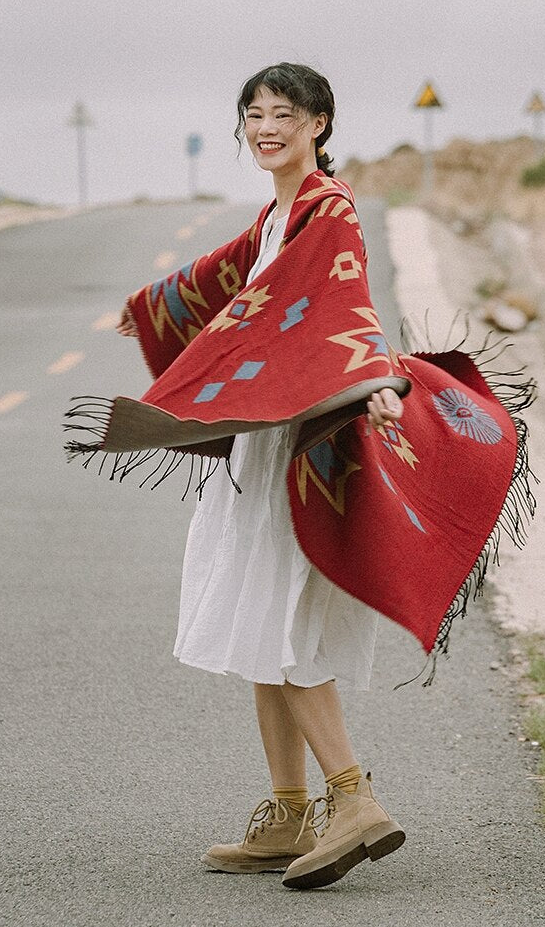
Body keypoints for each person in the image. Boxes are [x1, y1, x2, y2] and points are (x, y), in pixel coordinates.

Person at [116, 63, 407, 890]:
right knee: (254, 612)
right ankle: (287, 810)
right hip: (259, 439)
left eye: (284, 113)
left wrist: (376, 381)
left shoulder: (329, 209)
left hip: (299, 446)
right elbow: (223, 278)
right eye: (253, 114)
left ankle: (351, 796)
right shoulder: (275, 215)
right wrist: (152, 305)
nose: (265, 126)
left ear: (320, 122)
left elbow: (347, 307)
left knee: (279, 616)